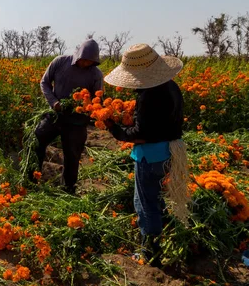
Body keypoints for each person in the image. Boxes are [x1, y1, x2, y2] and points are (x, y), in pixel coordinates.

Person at [103, 43, 187, 267]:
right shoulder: (171, 87)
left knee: (145, 203)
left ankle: (150, 253)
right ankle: (160, 242)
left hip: (150, 156)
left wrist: (115, 129)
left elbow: (142, 133)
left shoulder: (148, 95)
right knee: (157, 199)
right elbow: (162, 124)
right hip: (170, 152)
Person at [33, 39, 103, 193]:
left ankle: (68, 189)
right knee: (36, 141)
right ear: (78, 55)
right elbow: (44, 82)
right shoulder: (60, 62)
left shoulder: (95, 74)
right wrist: (54, 103)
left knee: (72, 155)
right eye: (84, 60)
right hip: (55, 115)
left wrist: (85, 107)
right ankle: (31, 179)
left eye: (90, 62)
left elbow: (97, 99)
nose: (86, 64)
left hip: (77, 121)